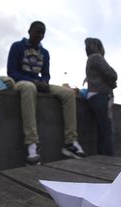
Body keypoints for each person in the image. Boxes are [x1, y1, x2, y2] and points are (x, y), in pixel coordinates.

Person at [7, 21, 86, 165]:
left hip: (38, 84)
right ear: (29, 31)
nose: (40, 35)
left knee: (68, 93)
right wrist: (34, 81)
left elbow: (46, 74)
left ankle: (70, 142)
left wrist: (44, 81)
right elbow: (12, 72)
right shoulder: (17, 47)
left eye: (42, 33)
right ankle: (32, 145)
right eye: (37, 31)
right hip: (21, 83)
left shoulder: (45, 53)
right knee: (29, 87)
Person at [84, 38, 117, 156]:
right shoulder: (97, 58)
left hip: (94, 97)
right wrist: (112, 83)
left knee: (101, 130)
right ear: (99, 47)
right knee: (107, 131)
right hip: (101, 97)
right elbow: (112, 74)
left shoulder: (89, 59)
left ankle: (101, 157)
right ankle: (109, 160)